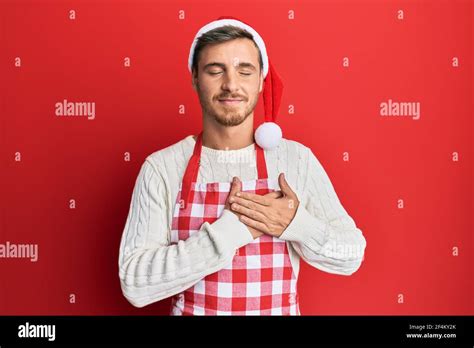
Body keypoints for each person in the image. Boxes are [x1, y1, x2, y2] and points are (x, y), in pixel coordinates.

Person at [118, 16, 367, 315]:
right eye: (215, 70)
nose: (230, 85)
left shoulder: (295, 160)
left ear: (261, 80)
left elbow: (351, 254)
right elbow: (134, 283)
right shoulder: (162, 167)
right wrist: (231, 232)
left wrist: (296, 224)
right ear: (195, 78)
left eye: (244, 71)